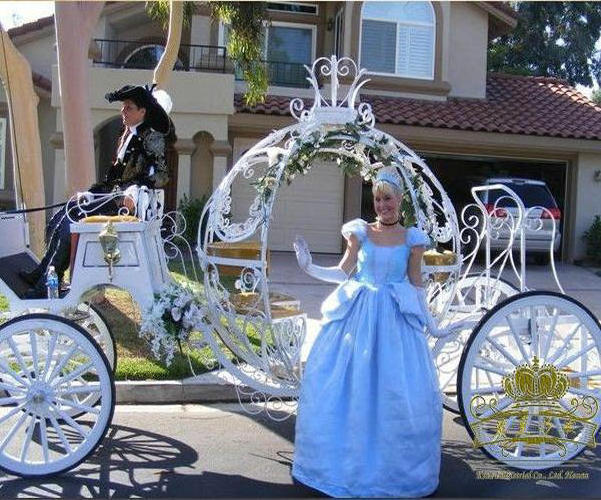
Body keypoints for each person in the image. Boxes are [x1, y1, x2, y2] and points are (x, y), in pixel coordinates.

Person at [291, 166, 452, 498]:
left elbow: (417, 285)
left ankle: (390, 470)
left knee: (394, 389)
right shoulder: (360, 232)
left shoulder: (413, 240)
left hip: (394, 320)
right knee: (348, 385)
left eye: (388, 198)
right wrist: (309, 267)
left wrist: (431, 323)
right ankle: (342, 464)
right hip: (359, 317)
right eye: (377, 199)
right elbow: (343, 273)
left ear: (400, 199)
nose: (382, 205)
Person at [20, 84, 175, 298]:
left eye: (129, 107)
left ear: (143, 112)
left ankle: (46, 284)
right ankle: (43, 273)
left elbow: (161, 175)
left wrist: (135, 189)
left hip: (124, 205)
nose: (123, 111)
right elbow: (113, 178)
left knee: (72, 219)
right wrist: (91, 193)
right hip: (114, 198)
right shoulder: (129, 135)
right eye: (123, 107)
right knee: (67, 210)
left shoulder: (152, 136)